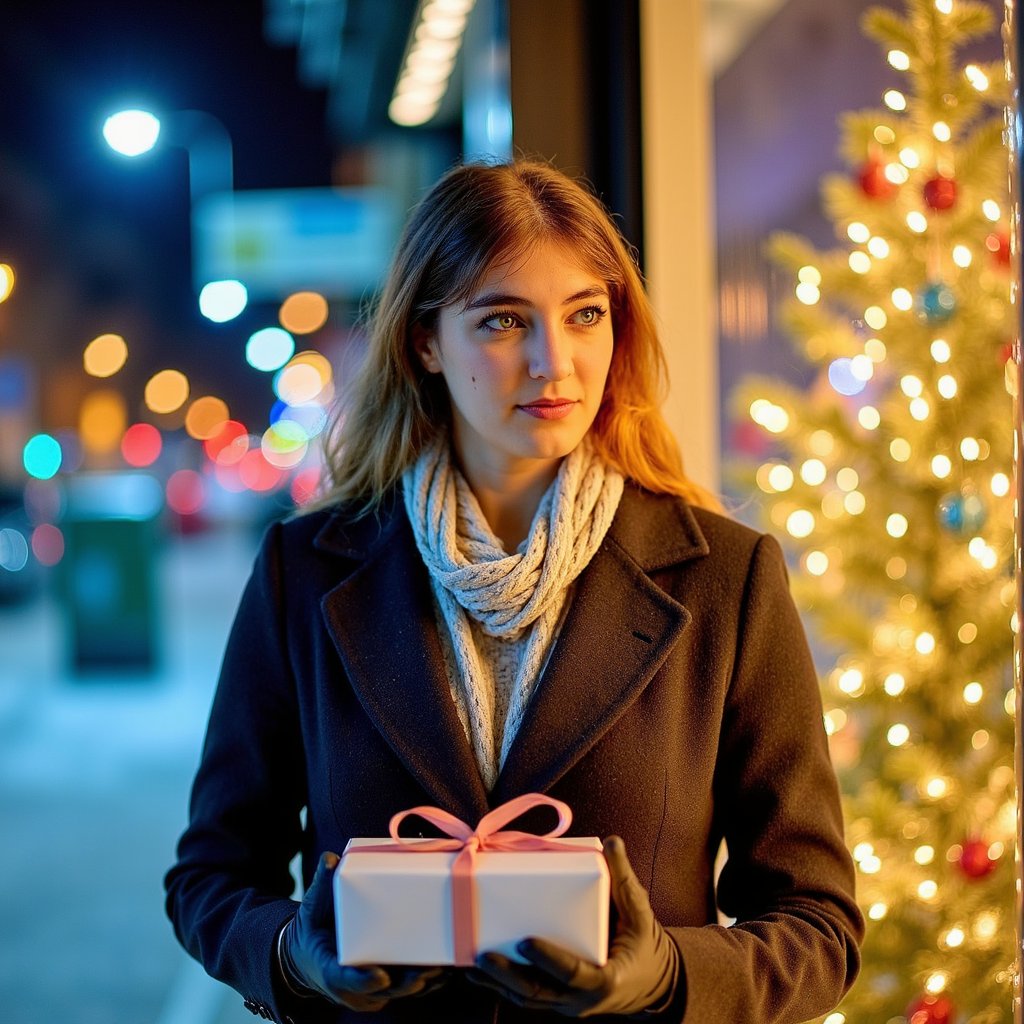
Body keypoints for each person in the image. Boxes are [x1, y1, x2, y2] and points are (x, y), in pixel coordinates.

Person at [165, 159, 863, 1023]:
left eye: (585, 315)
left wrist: (669, 977)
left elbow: (818, 923)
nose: (553, 362)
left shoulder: (727, 577)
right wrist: (292, 957)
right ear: (426, 342)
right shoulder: (306, 571)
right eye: (501, 321)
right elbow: (212, 876)